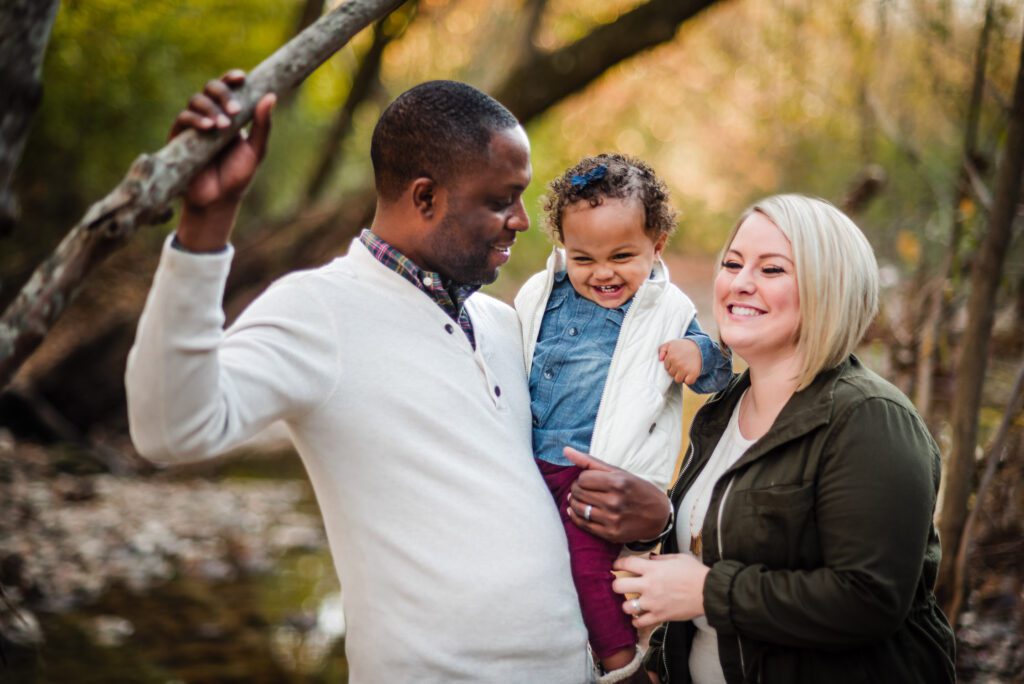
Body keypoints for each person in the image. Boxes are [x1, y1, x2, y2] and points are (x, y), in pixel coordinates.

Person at [125, 72, 591, 682]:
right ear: (425, 198)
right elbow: (169, 430)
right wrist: (206, 225)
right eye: (501, 199)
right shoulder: (319, 311)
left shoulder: (502, 324)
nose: (522, 221)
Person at [566, 194, 957, 682]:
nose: (739, 282)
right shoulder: (722, 409)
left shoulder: (870, 418)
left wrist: (708, 591)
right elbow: (710, 551)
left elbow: (870, 600)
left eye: (771, 270)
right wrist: (654, 526)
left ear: (828, 288)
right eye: (732, 263)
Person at [514, 154, 731, 682]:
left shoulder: (667, 309)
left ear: (657, 245)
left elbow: (717, 370)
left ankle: (624, 667)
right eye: (583, 257)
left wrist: (698, 355)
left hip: (602, 474)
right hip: (527, 466)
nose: (603, 273)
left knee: (590, 571)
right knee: (534, 567)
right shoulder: (542, 295)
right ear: (563, 247)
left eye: (622, 255)